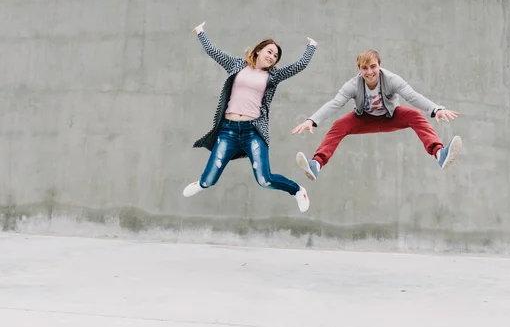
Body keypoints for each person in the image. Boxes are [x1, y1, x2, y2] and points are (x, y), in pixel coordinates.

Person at [183, 21, 318, 213]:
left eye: (276, 56)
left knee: (265, 179)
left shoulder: (273, 76)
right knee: (208, 180)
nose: (272, 57)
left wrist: (311, 47)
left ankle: (298, 190)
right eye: (269, 52)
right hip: (228, 130)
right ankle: (202, 182)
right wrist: (200, 32)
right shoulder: (237, 65)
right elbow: (214, 52)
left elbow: (300, 66)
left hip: (253, 131)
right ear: (258, 51)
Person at [291, 48, 462, 180]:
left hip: (390, 116)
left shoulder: (391, 79)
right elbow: (335, 103)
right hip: (364, 119)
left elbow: (412, 96)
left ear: (379, 65)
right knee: (339, 126)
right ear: (359, 69)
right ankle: (316, 165)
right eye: (364, 68)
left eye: (373, 66)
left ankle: (440, 154)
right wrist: (311, 120)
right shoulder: (352, 85)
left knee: (415, 116)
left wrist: (436, 109)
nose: (370, 72)